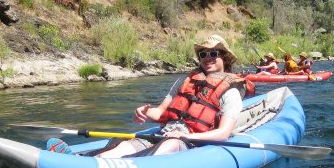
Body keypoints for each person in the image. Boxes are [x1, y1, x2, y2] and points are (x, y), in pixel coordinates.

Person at [95, 34, 256, 158]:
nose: (208, 58)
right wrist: (144, 112)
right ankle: (96, 160)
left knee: (170, 145)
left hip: (190, 141)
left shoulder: (231, 91)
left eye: (213, 53)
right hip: (164, 133)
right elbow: (159, 113)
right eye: (203, 54)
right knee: (122, 148)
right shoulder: (185, 81)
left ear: (225, 58)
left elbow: (223, 134)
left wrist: (184, 135)